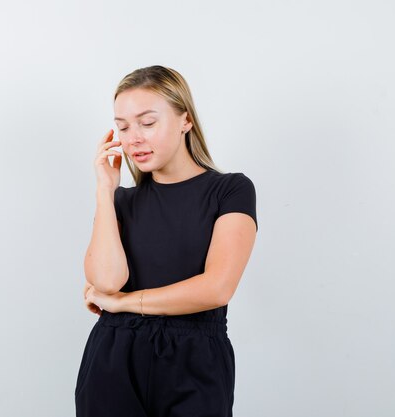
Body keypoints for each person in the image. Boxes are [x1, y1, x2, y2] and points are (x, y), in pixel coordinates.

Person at [75, 65, 258, 417]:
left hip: (195, 359)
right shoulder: (121, 201)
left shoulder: (230, 190)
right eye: (123, 126)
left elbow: (216, 289)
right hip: (113, 356)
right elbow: (106, 282)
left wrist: (123, 303)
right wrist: (104, 190)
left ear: (185, 120)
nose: (133, 138)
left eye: (148, 122)